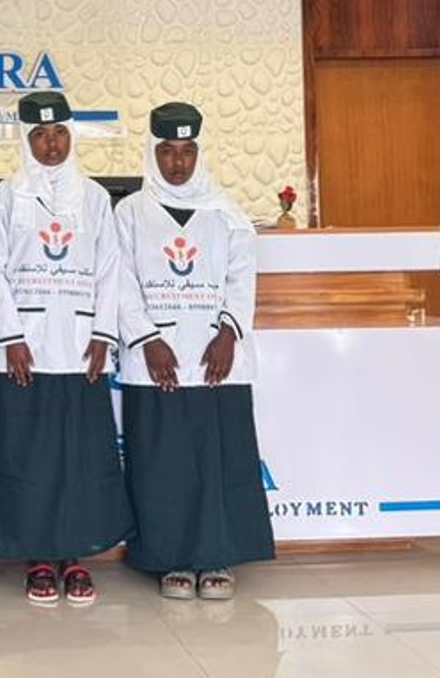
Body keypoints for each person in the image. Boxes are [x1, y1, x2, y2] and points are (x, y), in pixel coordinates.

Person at [113, 102, 274, 601]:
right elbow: (119, 282)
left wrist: (228, 333)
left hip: (214, 360)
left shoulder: (228, 214)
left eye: (186, 151)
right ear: (152, 152)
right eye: (166, 151)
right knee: (164, 463)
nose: (176, 162)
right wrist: (147, 340)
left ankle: (215, 558)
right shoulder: (130, 214)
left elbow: (241, 281)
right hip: (154, 360)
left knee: (217, 461)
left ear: (199, 153)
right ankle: (171, 559)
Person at [0, 90, 134, 607]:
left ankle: (74, 556)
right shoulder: (6, 197)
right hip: (22, 351)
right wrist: (9, 337)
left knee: (78, 456)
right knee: (27, 456)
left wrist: (103, 333)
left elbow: (111, 269)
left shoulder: (93, 197)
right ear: (25, 141)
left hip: (78, 349)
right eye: (41, 135)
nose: (52, 144)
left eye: (60, 133)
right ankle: (38, 557)